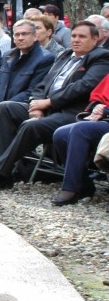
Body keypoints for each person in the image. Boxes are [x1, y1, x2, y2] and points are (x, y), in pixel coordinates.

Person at [0, 21, 109, 191]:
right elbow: (42, 85)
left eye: (82, 36)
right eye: (74, 36)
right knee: (6, 107)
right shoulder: (66, 55)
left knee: (31, 125)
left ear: (96, 38)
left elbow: (82, 87)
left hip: (71, 112)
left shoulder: (101, 57)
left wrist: (49, 102)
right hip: (46, 107)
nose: (76, 40)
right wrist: (36, 104)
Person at [49, 74, 109, 205]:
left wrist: (105, 111)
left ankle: (70, 189)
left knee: (80, 129)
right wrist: (97, 107)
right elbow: (99, 96)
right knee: (60, 134)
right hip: (103, 121)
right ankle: (84, 185)